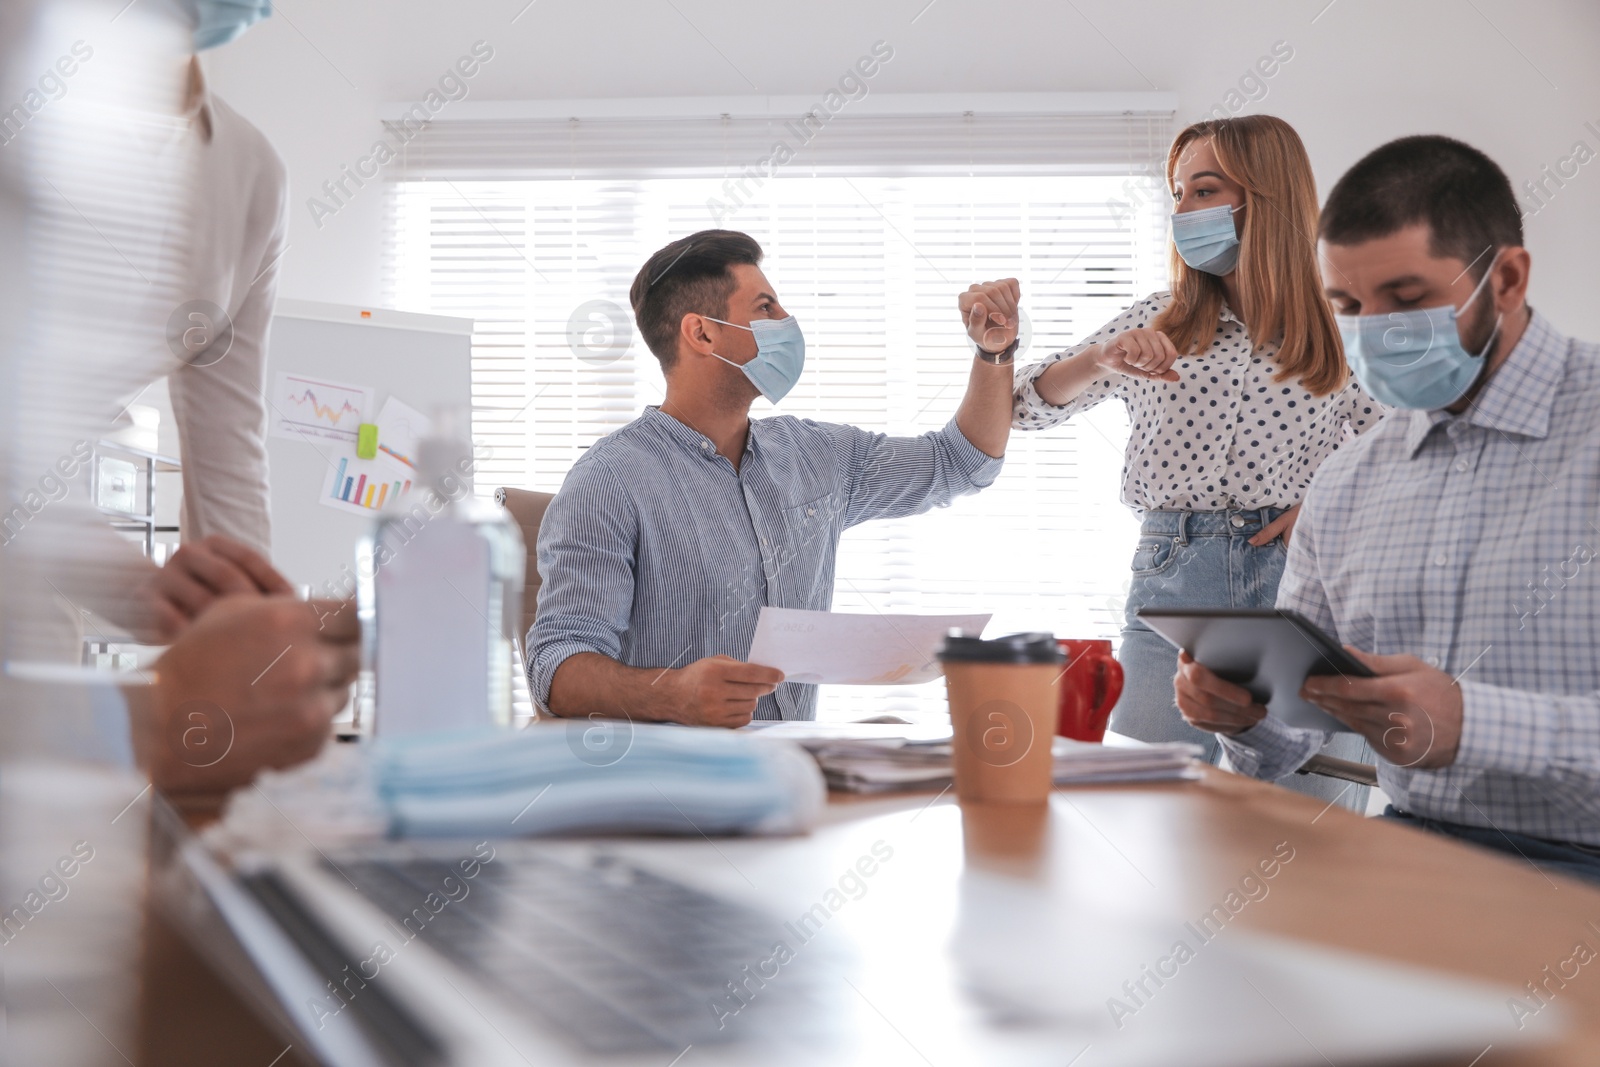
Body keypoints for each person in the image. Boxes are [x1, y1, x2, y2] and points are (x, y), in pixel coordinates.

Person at [1175, 134, 1600, 884]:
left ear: (1505, 277)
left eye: (1406, 299)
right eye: (1348, 305)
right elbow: (1290, 741)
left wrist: (1474, 725)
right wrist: (1243, 714)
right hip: (1406, 854)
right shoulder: (1346, 482)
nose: (1376, 331)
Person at [1010, 115, 1381, 795]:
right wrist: (1099, 360)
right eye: (1177, 193)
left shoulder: (1344, 332)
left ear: (1264, 198)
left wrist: (1329, 503)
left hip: (1299, 593)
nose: (1182, 210)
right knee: (1149, 817)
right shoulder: (1160, 319)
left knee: (1301, 837)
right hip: (1172, 583)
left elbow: (1419, 456)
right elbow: (1021, 407)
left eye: (1202, 190)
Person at [530, 229, 1016, 726]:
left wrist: (994, 354)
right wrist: (673, 694)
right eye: (766, 307)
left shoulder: (814, 455)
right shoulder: (609, 480)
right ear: (702, 333)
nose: (787, 321)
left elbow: (961, 462)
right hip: (672, 782)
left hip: (790, 767)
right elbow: (555, 669)